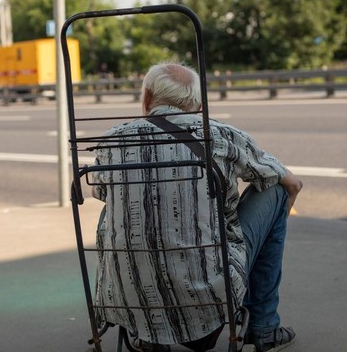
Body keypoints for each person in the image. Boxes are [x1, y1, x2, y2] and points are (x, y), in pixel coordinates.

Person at [91, 62, 303, 352]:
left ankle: (150, 333)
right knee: (275, 189)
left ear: (147, 99)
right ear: (198, 104)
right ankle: (264, 328)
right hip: (210, 304)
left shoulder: (113, 141)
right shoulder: (221, 135)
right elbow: (293, 184)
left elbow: (98, 192)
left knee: (114, 205)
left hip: (129, 304)